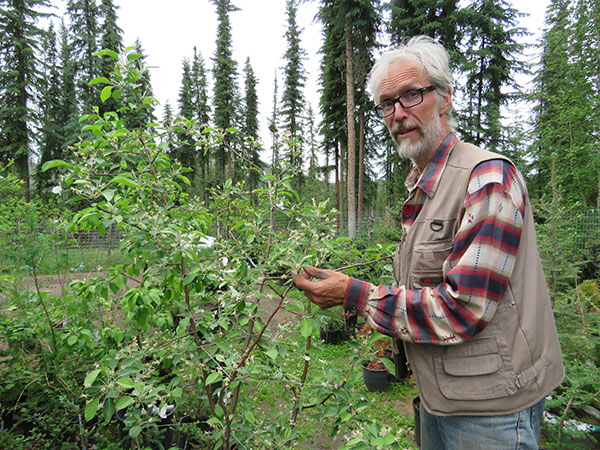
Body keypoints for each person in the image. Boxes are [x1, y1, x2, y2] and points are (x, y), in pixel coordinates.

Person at [292, 35, 564, 450]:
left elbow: (465, 307)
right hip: (443, 396)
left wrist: (356, 295)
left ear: (445, 98)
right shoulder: (425, 186)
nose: (398, 114)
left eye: (411, 95)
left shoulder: (485, 178)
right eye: (387, 103)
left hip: (491, 411)